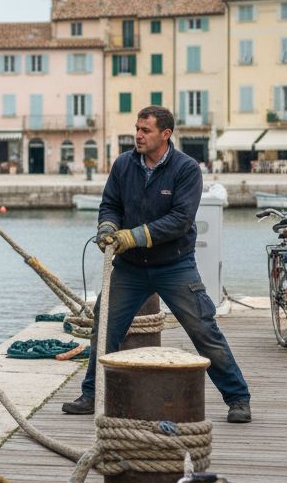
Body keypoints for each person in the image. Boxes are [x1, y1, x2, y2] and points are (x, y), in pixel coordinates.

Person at [62, 105, 252, 423]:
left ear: (165, 134)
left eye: (145, 130)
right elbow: (110, 204)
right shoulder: (123, 165)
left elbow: (179, 220)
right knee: (104, 326)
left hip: (174, 265)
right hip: (130, 268)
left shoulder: (186, 169)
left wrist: (132, 236)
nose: (138, 135)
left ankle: (237, 398)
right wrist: (107, 227)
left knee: (204, 329)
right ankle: (92, 394)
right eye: (137, 128)